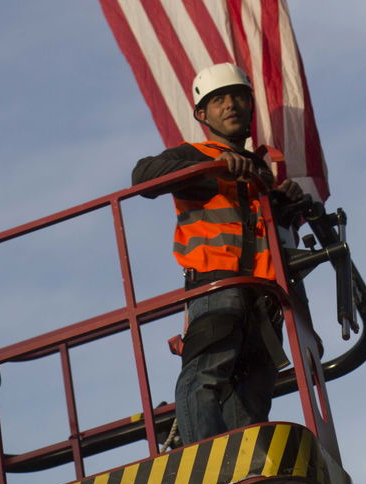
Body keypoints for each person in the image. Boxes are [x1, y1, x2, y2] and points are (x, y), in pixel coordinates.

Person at [131, 63, 308, 445]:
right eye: (218, 100)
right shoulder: (193, 155)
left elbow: (271, 234)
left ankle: (242, 467)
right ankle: (206, 461)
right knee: (205, 376)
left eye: (238, 97)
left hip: (264, 298)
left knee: (252, 393)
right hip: (217, 288)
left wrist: (285, 201)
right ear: (202, 114)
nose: (230, 105)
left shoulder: (261, 172)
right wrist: (214, 165)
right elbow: (143, 176)